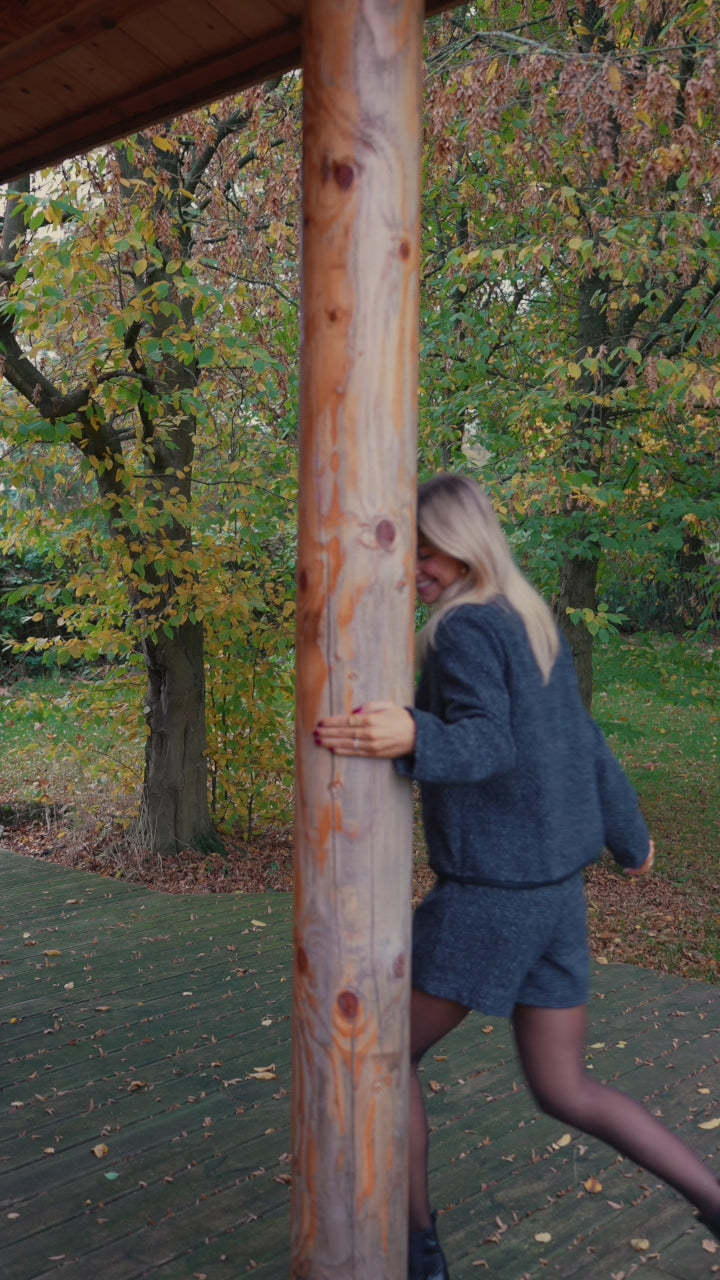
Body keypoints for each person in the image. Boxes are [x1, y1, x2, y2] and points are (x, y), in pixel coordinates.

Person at [313, 473, 720, 1280]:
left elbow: (489, 744)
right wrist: (629, 837)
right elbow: (584, 740)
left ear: (463, 546)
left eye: (427, 552)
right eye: (414, 554)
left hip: (491, 900)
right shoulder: (531, 621)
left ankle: (416, 1254)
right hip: (558, 900)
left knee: (379, 1059)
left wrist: (410, 733)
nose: (417, 570)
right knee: (565, 1087)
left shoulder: (462, 629)